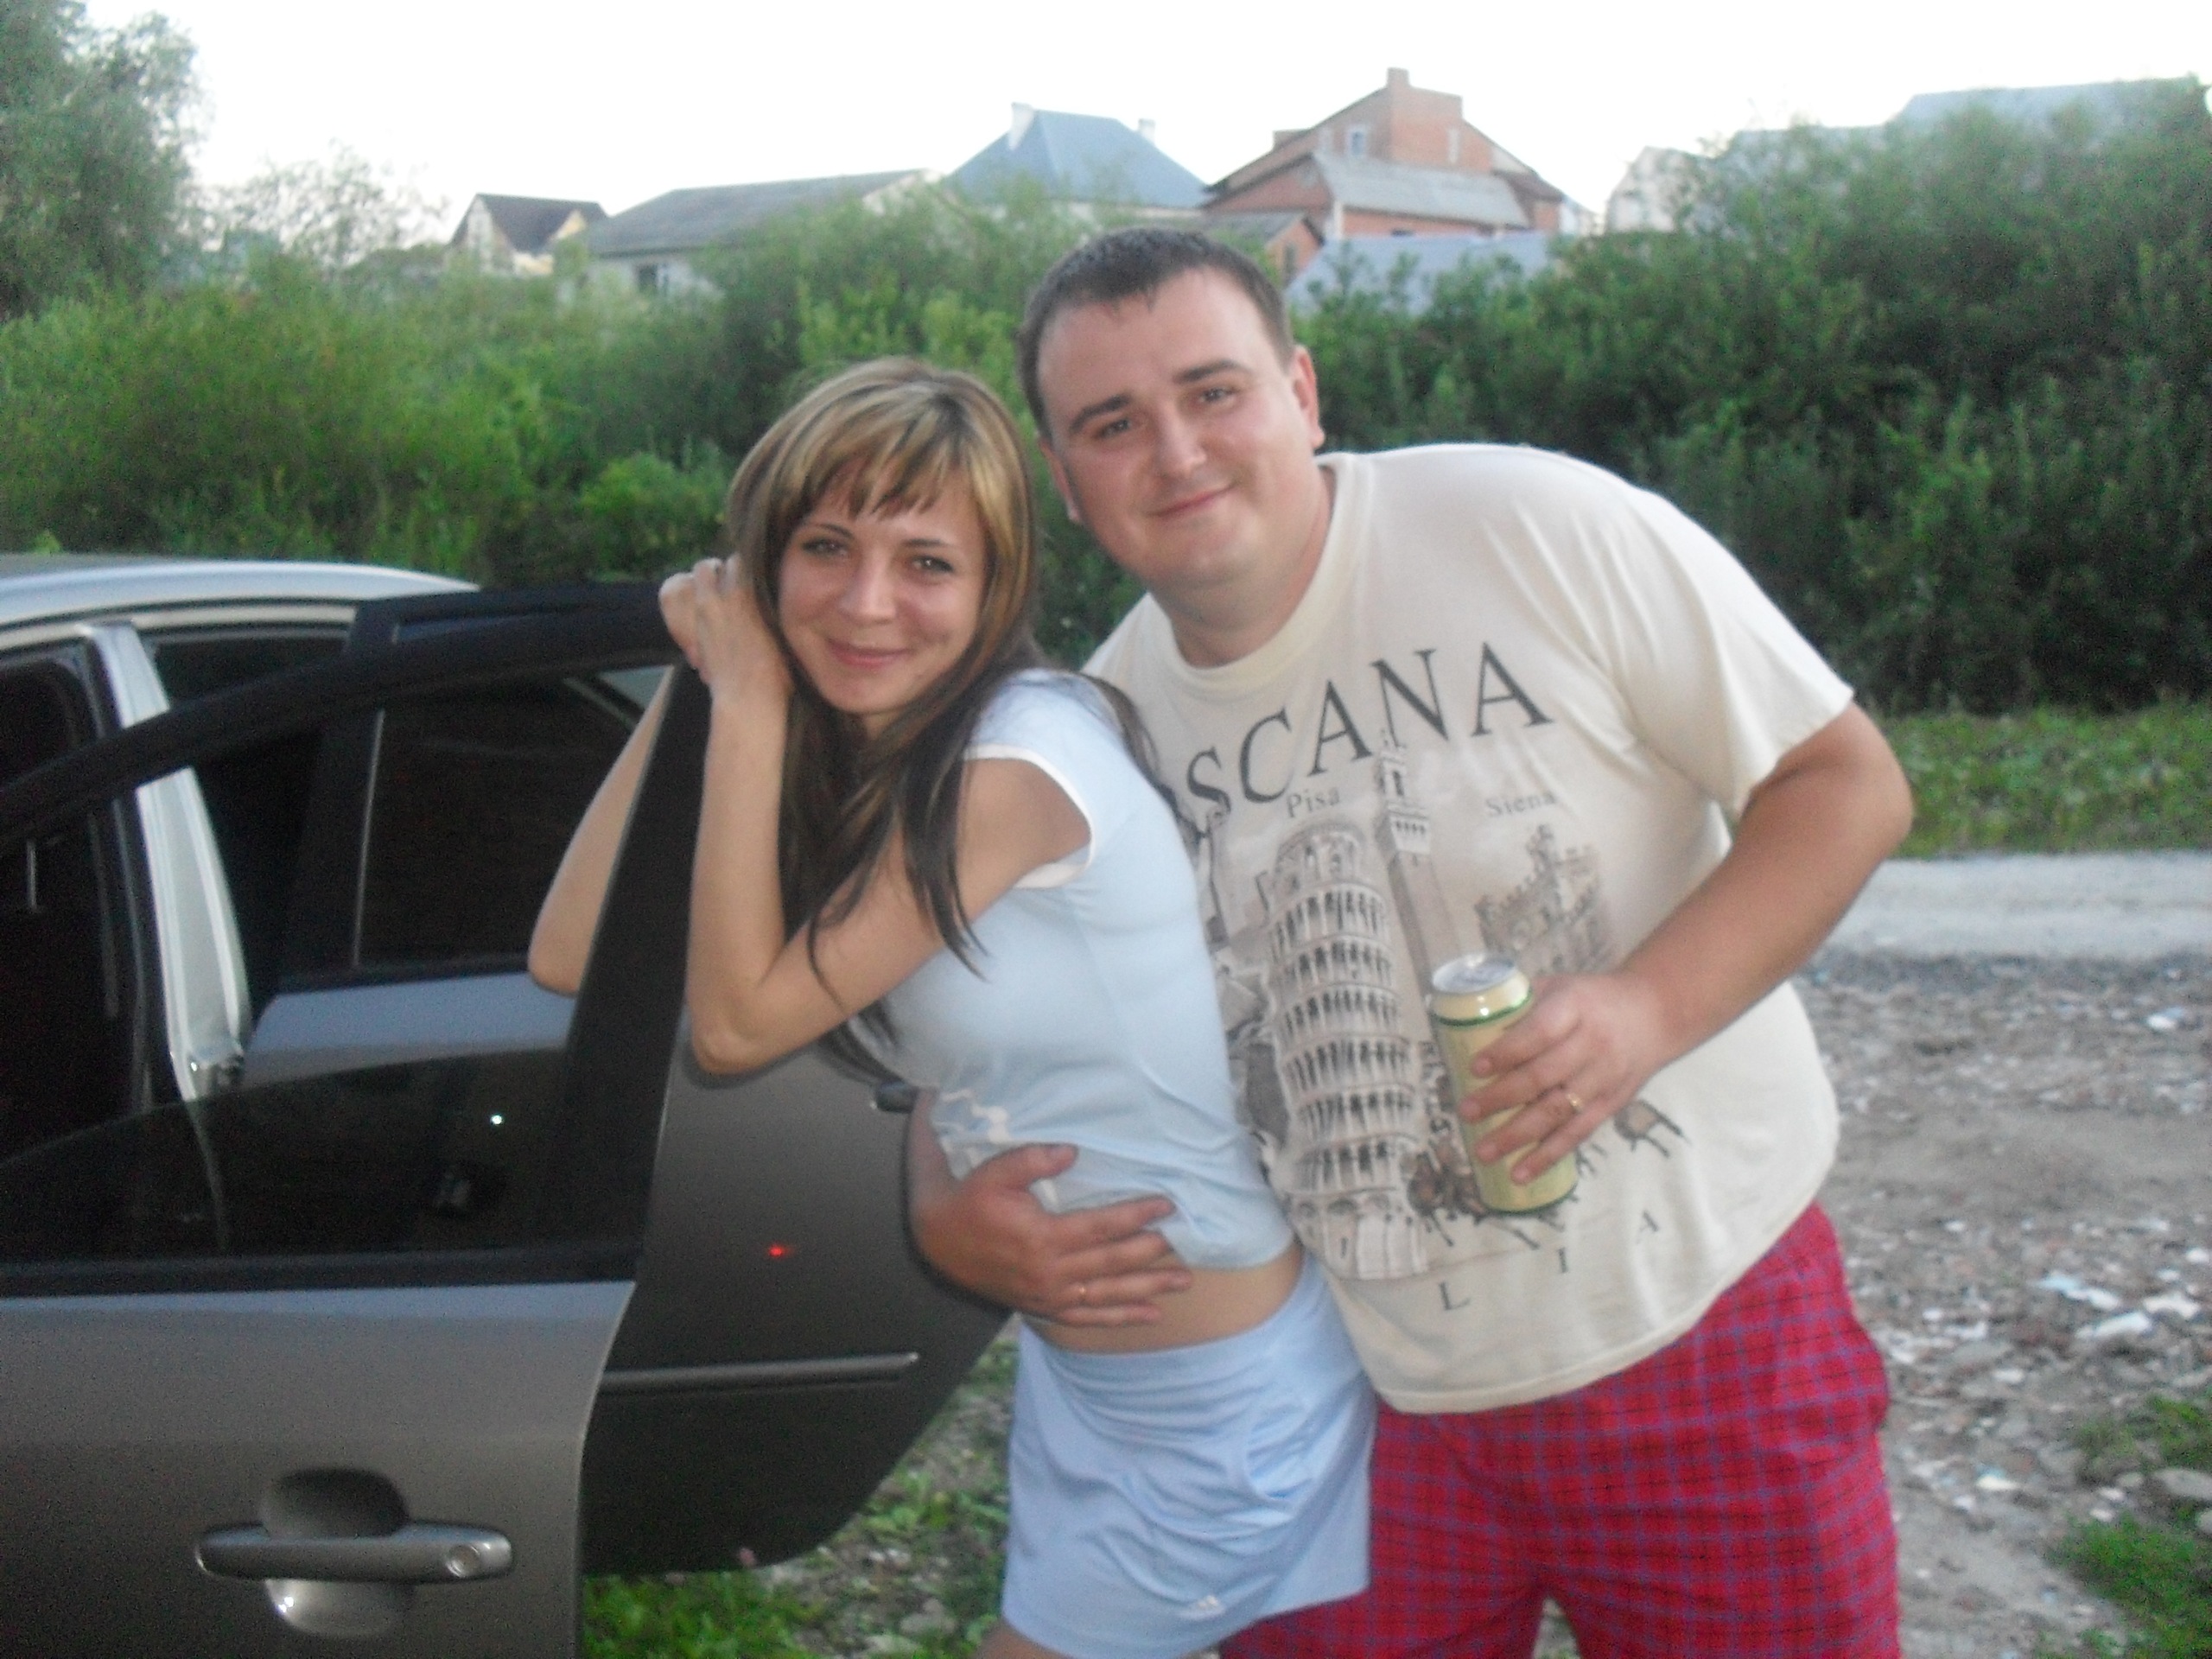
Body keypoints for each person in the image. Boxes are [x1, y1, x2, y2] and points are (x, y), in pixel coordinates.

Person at [906, 230, 1916, 1657]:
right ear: (1065, 482)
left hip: (1701, 1338)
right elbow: (979, 1012)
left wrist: (1644, 1011)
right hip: (1344, 1405)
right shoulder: (1087, 736)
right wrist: (941, 1206)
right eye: (1113, 425)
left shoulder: (1534, 525)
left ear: (1302, 394)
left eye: (1214, 392)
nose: (1177, 453)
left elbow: (1845, 784)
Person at [528, 359, 1374, 1659]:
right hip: (1092, 1388)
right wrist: (703, 676)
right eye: (825, 548)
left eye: (927, 562)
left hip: (1221, 1412)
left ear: (993, 592)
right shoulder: (887, 765)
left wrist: (748, 696)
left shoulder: (1014, 767)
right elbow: (574, 950)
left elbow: (736, 1029)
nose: (869, 602)